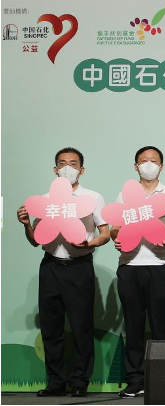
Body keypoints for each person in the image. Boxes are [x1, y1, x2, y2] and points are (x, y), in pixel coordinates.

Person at [17, 147, 109, 398]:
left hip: (79, 267)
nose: (67, 168)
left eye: (73, 163)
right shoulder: (45, 200)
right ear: (55, 169)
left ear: (82, 170)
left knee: (81, 327)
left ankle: (79, 381)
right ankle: (55, 382)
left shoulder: (92, 198)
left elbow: (105, 233)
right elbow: (36, 240)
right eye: (62, 163)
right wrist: (26, 225)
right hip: (50, 267)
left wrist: (88, 243)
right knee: (51, 328)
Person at [112, 146, 165, 398]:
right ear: (136, 166)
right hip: (130, 266)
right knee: (133, 326)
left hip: (161, 266)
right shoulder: (125, 196)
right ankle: (135, 379)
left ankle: (162, 379)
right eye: (144, 161)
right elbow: (114, 228)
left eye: (154, 161)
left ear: (161, 167)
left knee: (159, 325)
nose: (149, 164)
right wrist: (116, 237)